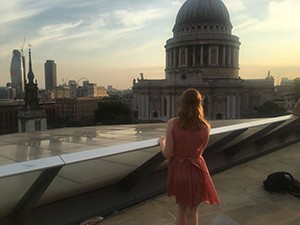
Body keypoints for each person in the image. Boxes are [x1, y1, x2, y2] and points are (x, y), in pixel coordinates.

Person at [159, 88, 220, 225]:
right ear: (199, 104)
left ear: (181, 103)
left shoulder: (173, 124)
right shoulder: (205, 127)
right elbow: (200, 151)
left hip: (179, 170)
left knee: (181, 210)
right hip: (197, 169)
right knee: (193, 212)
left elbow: (167, 154)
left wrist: (161, 142)